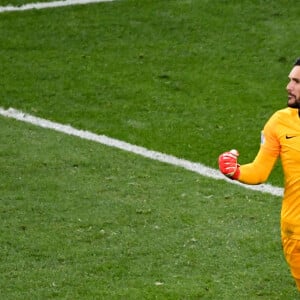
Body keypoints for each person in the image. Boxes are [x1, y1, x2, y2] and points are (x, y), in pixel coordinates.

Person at [218, 58, 300, 291]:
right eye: (290, 80)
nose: (288, 87)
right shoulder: (279, 122)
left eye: (296, 81)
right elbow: (260, 171)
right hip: (296, 232)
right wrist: (235, 171)